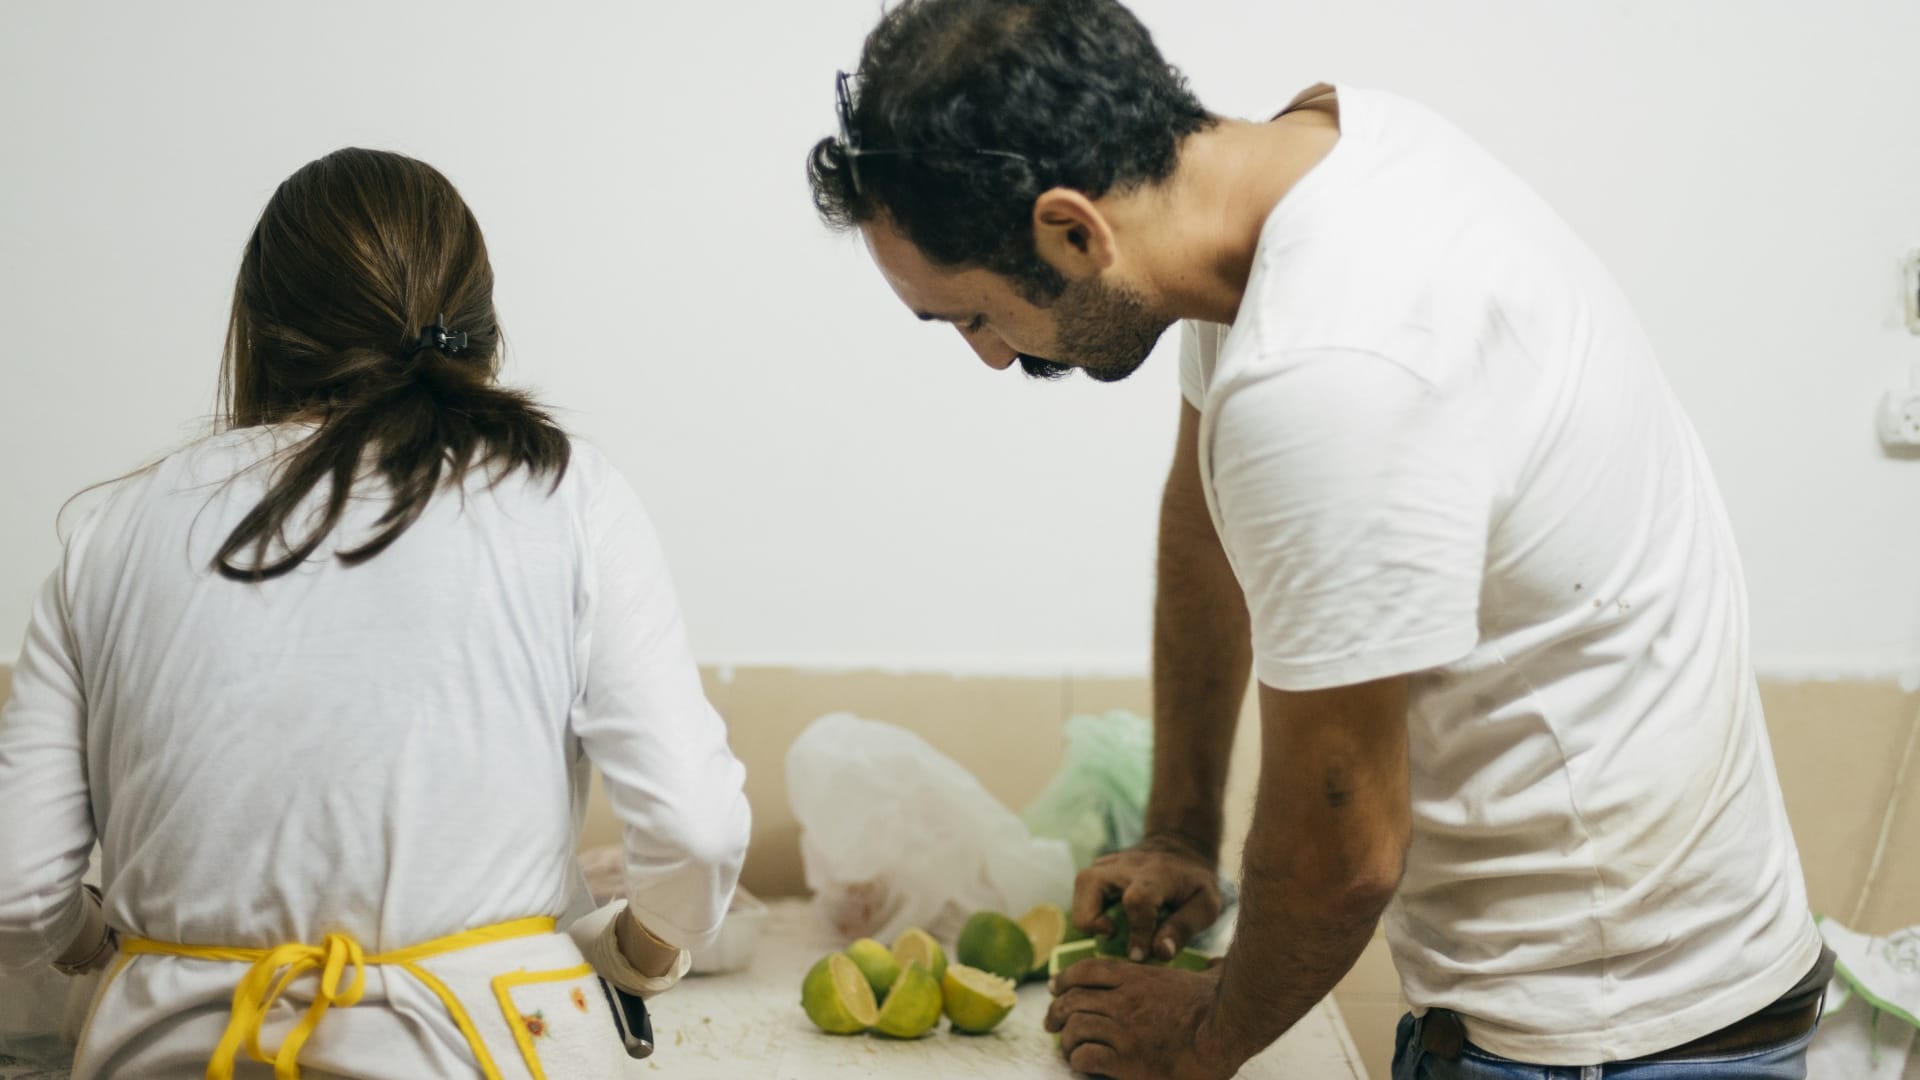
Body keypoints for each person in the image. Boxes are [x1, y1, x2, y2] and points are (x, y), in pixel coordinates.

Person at [807, 2, 1830, 1077]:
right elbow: (1202, 532)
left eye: (971, 316)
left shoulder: (1328, 366)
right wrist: (1181, 832)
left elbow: (1346, 850)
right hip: (1630, 1001)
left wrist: (1198, 1042)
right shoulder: (1298, 180)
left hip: (1615, 1035)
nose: (993, 358)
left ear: (1072, 231)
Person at [0, 148, 750, 1079]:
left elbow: (17, 889)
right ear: (479, 325)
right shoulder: (566, 492)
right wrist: (644, 948)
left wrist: (99, 948)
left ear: (260, 332)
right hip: (485, 1049)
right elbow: (699, 830)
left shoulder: (111, 531)